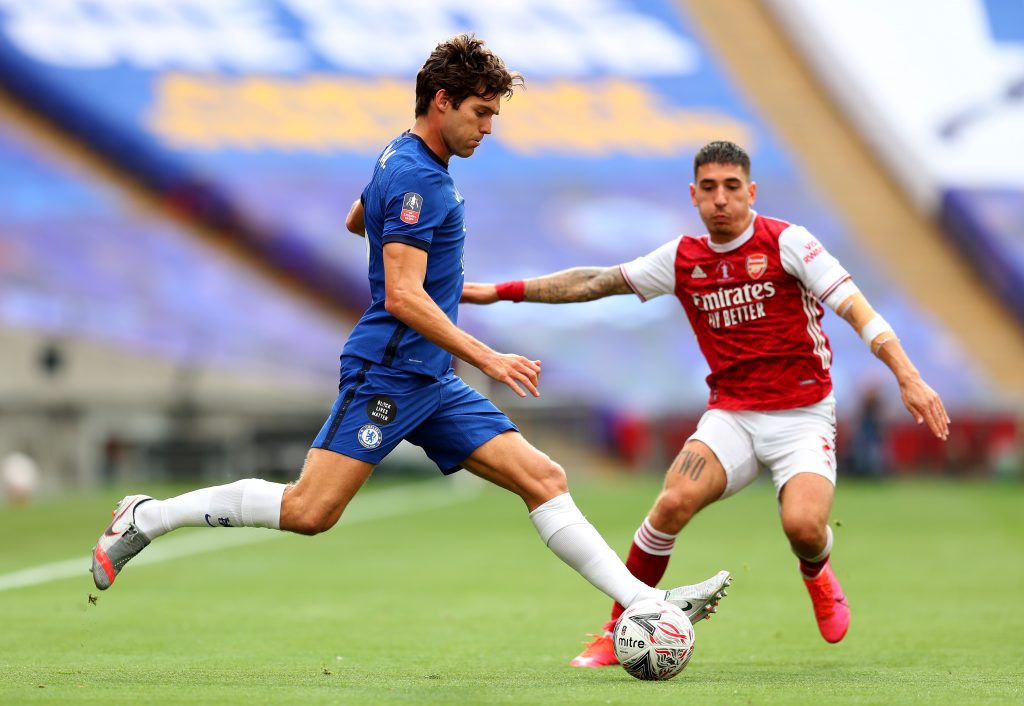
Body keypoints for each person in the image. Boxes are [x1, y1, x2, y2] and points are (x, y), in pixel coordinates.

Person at [91, 35, 732, 631]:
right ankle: (149, 515)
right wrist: (489, 355)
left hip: (430, 378)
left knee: (545, 479)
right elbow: (401, 295)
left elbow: (356, 217)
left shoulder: (405, 159)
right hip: (390, 372)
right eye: (481, 113)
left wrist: (396, 234)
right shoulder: (417, 177)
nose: (487, 129)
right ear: (442, 101)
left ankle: (645, 604)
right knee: (309, 512)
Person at [460, 140, 950, 665]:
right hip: (731, 416)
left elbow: (857, 310)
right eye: (710, 188)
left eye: (732, 187)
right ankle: (618, 626)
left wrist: (909, 376)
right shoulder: (681, 258)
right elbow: (594, 283)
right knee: (671, 503)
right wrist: (493, 292)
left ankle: (817, 569)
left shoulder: (789, 243)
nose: (721, 199)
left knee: (803, 527)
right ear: (694, 195)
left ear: (751, 192)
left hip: (802, 415)